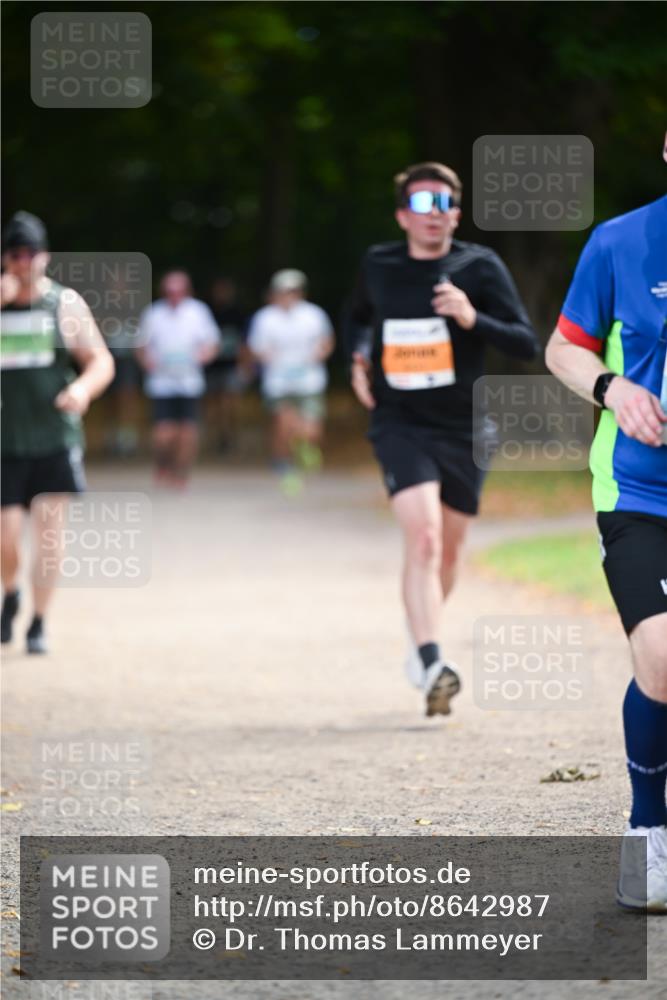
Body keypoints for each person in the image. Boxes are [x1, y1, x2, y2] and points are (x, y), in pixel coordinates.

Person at [344, 162, 539, 716]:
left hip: (465, 427)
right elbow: (357, 318)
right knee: (425, 539)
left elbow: (525, 342)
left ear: (457, 213)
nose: (436, 214)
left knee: (449, 550)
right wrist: (357, 358)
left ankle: (419, 637)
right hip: (399, 422)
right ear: (402, 216)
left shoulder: (479, 266)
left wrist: (472, 317)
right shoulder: (379, 264)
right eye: (423, 204)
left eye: (446, 204)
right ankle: (433, 660)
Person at [545, 140, 667, 911]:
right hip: (637, 491)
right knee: (660, 656)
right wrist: (611, 388)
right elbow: (562, 347)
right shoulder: (621, 241)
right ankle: (648, 827)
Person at [0, 211, 114, 653]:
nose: (23, 262)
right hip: (7, 440)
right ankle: (11, 592)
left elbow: (100, 360)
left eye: (31, 253)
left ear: (45, 256)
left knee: (48, 536)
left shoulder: (64, 304)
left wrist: (82, 390)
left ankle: (39, 622)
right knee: (6, 538)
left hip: (53, 438)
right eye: (15, 254)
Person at [137, 270, 220, 487]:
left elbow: (212, 343)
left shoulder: (198, 312)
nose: (174, 296)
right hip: (161, 383)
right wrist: (147, 362)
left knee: (188, 432)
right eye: (170, 292)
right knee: (164, 434)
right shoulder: (153, 313)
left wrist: (204, 355)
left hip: (189, 382)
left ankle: (181, 473)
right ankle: (163, 463)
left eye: (179, 292)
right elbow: (140, 346)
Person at [247, 269, 334, 479]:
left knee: (311, 430)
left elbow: (327, 341)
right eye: (284, 291)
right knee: (283, 422)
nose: (289, 295)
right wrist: (264, 356)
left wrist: (320, 354)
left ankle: (303, 447)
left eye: (293, 291)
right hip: (278, 382)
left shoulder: (314, 314)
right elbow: (255, 348)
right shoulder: (265, 318)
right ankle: (282, 461)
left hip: (310, 380)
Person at [204, 277, 251, 454]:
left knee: (230, 404)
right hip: (211, 366)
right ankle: (214, 438)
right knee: (212, 405)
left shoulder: (238, 314)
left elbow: (244, 341)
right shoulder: (207, 313)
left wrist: (244, 365)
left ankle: (230, 437)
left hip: (231, 366)